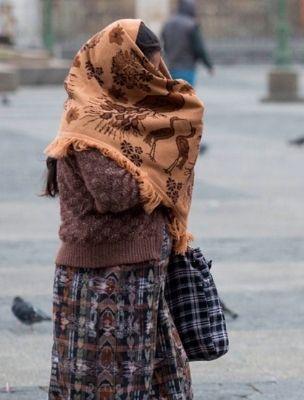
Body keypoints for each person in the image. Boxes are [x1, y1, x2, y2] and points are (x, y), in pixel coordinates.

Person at [43, 19, 204, 398]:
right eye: (145, 69)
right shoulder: (88, 119)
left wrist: (160, 160)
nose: (155, 77)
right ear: (122, 69)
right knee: (103, 382)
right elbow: (112, 192)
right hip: (102, 274)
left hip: (144, 269)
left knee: (155, 378)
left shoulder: (144, 117)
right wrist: (161, 167)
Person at [161, 0, 213, 86]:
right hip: (187, 68)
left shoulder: (168, 23)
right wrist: (208, 65)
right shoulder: (191, 25)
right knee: (187, 96)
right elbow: (199, 48)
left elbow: (164, 43)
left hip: (171, 67)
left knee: (173, 96)